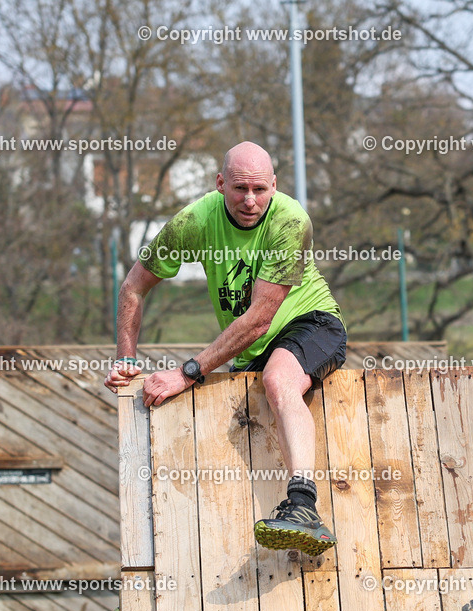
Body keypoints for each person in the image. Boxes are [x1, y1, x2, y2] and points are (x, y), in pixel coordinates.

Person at [104, 141, 345, 556]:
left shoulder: (291, 221)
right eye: (239, 189)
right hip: (251, 349)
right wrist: (127, 360)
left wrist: (186, 372)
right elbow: (132, 288)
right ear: (220, 184)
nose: (250, 201)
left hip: (312, 323)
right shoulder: (194, 222)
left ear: (274, 185)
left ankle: (304, 505)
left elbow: (259, 319)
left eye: (259, 190)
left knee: (277, 379)